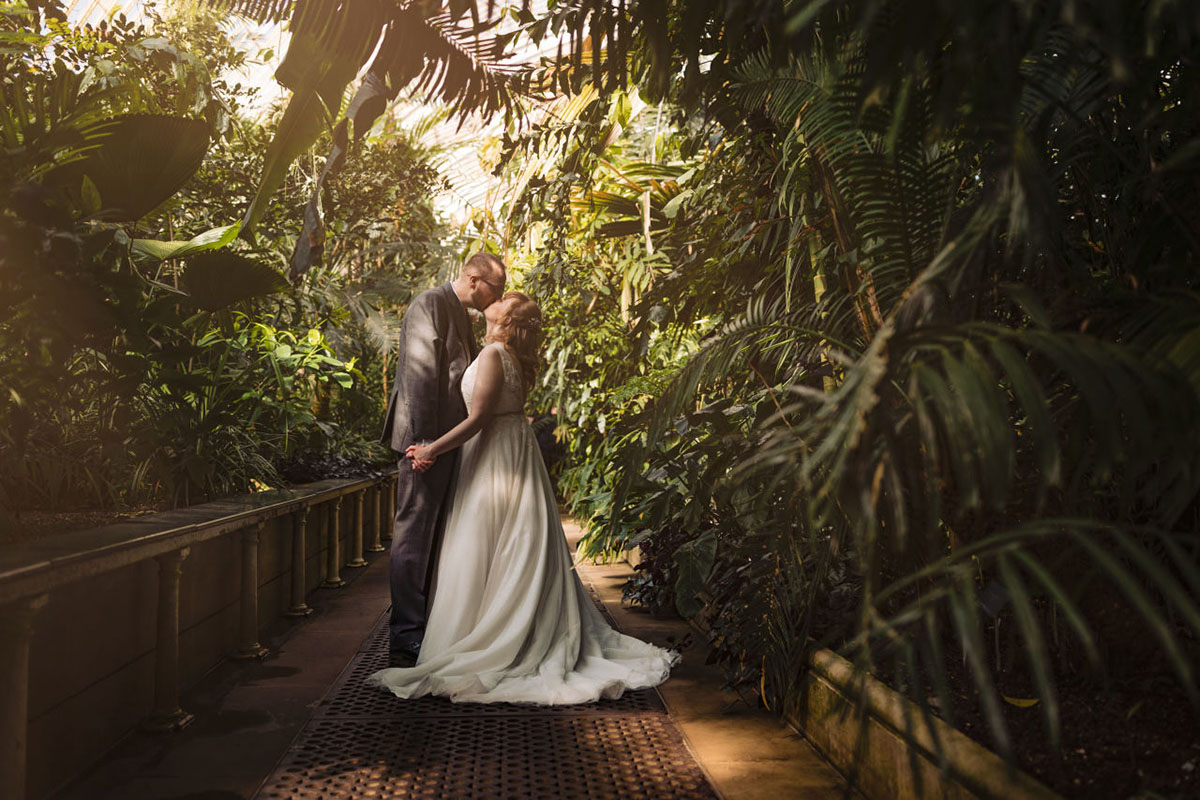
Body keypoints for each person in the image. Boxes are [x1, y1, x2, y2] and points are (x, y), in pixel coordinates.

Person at [368, 292, 678, 704]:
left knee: (492, 541)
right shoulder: (506, 355)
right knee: (504, 543)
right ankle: (506, 622)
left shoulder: (496, 354)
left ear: (507, 319)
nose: (495, 300)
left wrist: (430, 449)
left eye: (503, 300)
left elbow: (478, 419)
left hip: (497, 456)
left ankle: (497, 635)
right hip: (509, 452)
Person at [379, 253, 507, 665]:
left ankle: (428, 625)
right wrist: (423, 447)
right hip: (424, 446)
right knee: (413, 539)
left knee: (433, 537)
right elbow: (418, 379)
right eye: (495, 288)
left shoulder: (461, 311)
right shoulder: (429, 304)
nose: (498, 297)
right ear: (473, 280)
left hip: (444, 445)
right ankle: (406, 635)